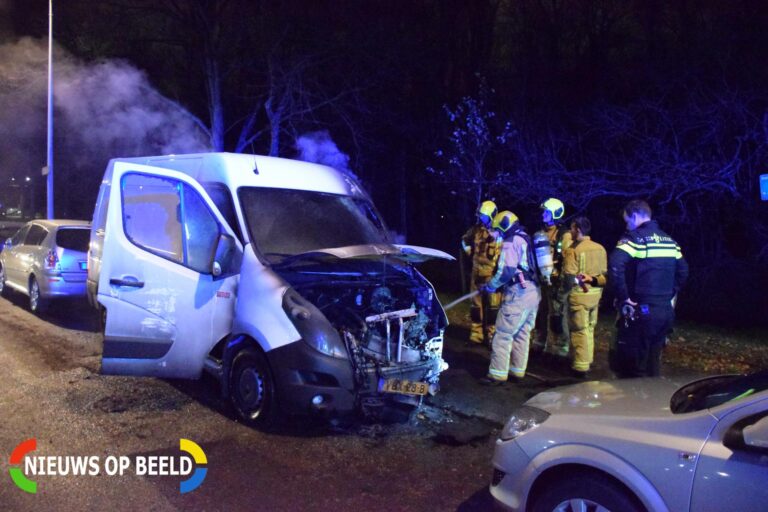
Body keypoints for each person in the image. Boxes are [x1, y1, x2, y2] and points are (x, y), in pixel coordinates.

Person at [608, 200, 689, 378]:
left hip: (642, 312)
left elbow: (615, 265)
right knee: (653, 363)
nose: (627, 226)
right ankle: (654, 401)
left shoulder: (635, 238)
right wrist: (669, 293)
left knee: (634, 367)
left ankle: (636, 404)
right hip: (665, 313)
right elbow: (683, 271)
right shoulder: (670, 241)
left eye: (627, 221)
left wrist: (624, 297)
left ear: (635, 216)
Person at [479, 211, 542, 385]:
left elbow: (505, 271)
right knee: (522, 333)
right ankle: (517, 371)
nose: (497, 234)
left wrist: (491, 286)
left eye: (498, 230)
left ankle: (497, 375)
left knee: (503, 334)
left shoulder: (511, 241)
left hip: (518, 293)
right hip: (534, 292)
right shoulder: (525, 238)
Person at [561, 216, 607, 378]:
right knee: (589, 329)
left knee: (578, 331)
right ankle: (588, 360)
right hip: (595, 296)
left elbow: (569, 276)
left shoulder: (574, 250)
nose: (570, 232)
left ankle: (580, 367)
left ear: (578, 230)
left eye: (572, 229)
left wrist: (562, 292)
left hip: (579, 297)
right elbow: (603, 276)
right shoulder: (600, 248)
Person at [531, 198, 572, 361]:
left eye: (547, 212)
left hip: (555, 282)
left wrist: (559, 278)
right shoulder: (541, 232)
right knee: (541, 313)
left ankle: (559, 349)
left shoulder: (564, 235)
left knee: (557, 315)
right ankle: (540, 343)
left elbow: (567, 260)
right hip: (541, 280)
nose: (543, 215)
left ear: (555, 214)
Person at [461, 200, 503, 346]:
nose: (481, 218)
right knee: (475, 306)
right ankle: (476, 334)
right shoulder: (476, 230)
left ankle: (492, 335)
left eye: (484, 216)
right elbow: (464, 240)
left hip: (491, 275)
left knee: (493, 308)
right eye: (481, 216)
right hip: (476, 274)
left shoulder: (499, 233)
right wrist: (468, 250)